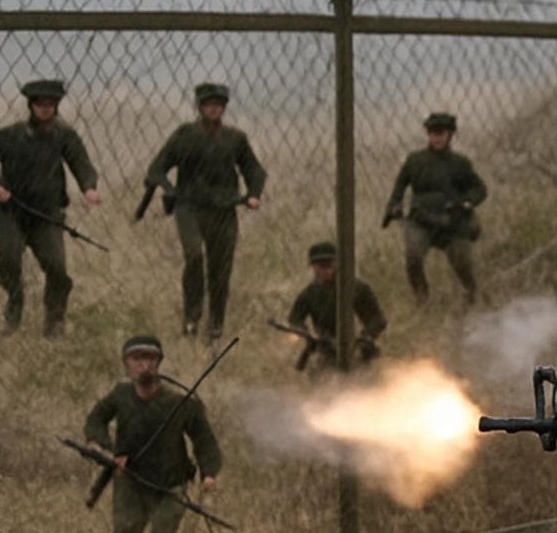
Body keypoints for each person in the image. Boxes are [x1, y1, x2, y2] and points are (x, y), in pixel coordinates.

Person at [85, 335, 222, 533]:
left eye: (149, 358)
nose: (143, 365)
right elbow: (95, 420)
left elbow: (205, 441)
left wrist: (209, 474)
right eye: (136, 359)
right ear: (126, 363)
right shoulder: (120, 395)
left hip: (170, 484)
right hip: (131, 481)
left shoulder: (179, 402)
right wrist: (105, 447)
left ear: (158, 363)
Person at [0, 78, 101, 336]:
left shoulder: (64, 135)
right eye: (40, 103)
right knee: (8, 261)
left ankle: (55, 322)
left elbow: (80, 161)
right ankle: (14, 303)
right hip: (11, 211)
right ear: (31, 105)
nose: (45, 108)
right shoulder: (11, 135)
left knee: (58, 270)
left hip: (46, 215)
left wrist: (89, 187)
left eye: (50, 104)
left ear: (56, 106)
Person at [145, 83, 266, 341]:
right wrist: (170, 189)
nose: (213, 109)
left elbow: (254, 169)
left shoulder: (234, 138)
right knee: (194, 256)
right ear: (199, 107)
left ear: (224, 108)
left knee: (221, 269)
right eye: (208, 104)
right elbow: (156, 168)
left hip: (223, 210)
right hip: (189, 207)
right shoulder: (185, 135)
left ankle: (216, 325)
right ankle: (191, 319)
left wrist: (254, 193)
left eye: (218, 105)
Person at [384, 111, 487, 306]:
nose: (437, 138)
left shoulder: (460, 163)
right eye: (433, 133)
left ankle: (471, 296)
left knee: (462, 263)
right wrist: (394, 206)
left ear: (450, 134)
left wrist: (467, 202)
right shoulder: (415, 160)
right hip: (421, 220)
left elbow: (480, 189)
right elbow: (399, 186)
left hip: (453, 221)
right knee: (413, 257)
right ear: (428, 134)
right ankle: (422, 298)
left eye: (441, 133)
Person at [286, 241, 388, 371]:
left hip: (355, 348)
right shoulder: (309, 294)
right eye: (320, 265)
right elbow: (295, 319)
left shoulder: (357, 288)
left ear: (338, 264)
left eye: (328, 264)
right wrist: (305, 333)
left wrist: (365, 337)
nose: (324, 269)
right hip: (324, 348)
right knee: (320, 367)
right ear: (313, 267)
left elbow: (377, 319)